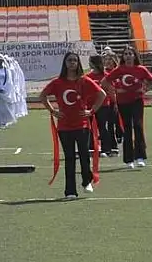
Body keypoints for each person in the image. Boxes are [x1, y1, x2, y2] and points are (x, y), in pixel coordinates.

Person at [41, 52, 107, 200]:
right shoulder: (57, 82)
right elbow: (42, 95)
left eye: (75, 61)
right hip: (64, 127)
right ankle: (70, 191)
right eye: (70, 60)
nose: (72, 63)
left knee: (84, 155)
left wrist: (92, 111)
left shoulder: (83, 81)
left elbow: (101, 94)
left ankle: (86, 181)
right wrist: (52, 111)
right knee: (69, 158)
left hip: (82, 125)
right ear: (65, 63)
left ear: (78, 63)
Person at [101, 46, 152, 169]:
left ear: (134, 55)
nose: (127, 56)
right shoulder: (119, 69)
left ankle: (140, 157)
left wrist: (144, 89)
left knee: (138, 126)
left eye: (130, 53)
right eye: (125, 54)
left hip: (137, 101)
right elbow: (105, 82)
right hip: (123, 102)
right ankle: (128, 159)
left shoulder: (141, 69)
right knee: (126, 129)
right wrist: (114, 92)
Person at [88, 55, 118, 157]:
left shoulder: (106, 76)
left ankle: (106, 149)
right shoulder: (87, 77)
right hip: (90, 106)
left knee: (102, 127)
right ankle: (92, 148)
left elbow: (111, 91)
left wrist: (115, 103)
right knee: (90, 127)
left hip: (103, 105)